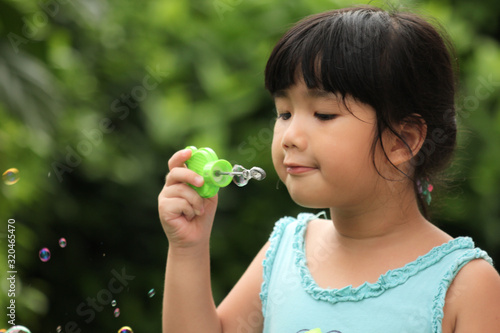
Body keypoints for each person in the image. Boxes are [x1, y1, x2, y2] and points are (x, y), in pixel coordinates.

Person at [158, 5, 500, 333]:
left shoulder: (466, 284)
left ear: (403, 141)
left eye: (323, 114)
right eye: (284, 113)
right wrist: (189, 247)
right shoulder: (285, 252)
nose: (290, 137)